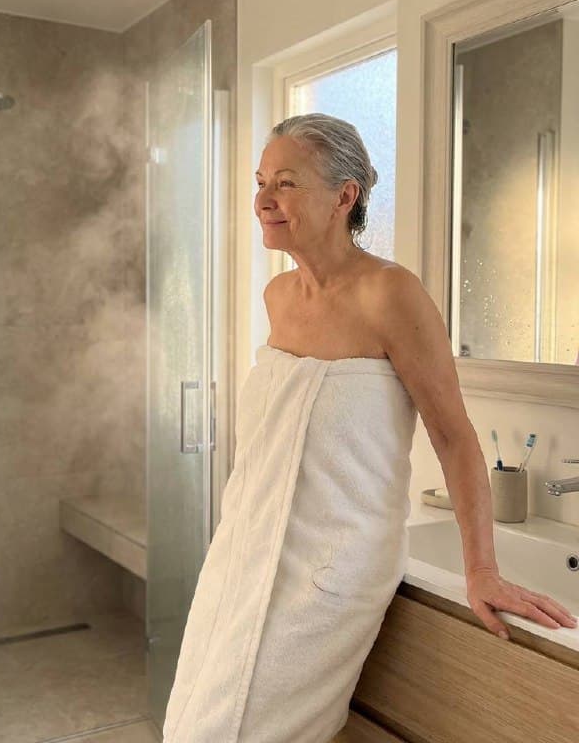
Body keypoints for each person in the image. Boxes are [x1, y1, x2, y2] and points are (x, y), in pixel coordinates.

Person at [162, 113, 577, 742]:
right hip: (246, 554)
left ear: (344, 196)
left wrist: (482, 569)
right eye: (260, 181)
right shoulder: (279, 298)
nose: (263, 200)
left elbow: (454, 436)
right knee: (198, 723)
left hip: (328, 574)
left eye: (286, 183)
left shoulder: (391, 294)